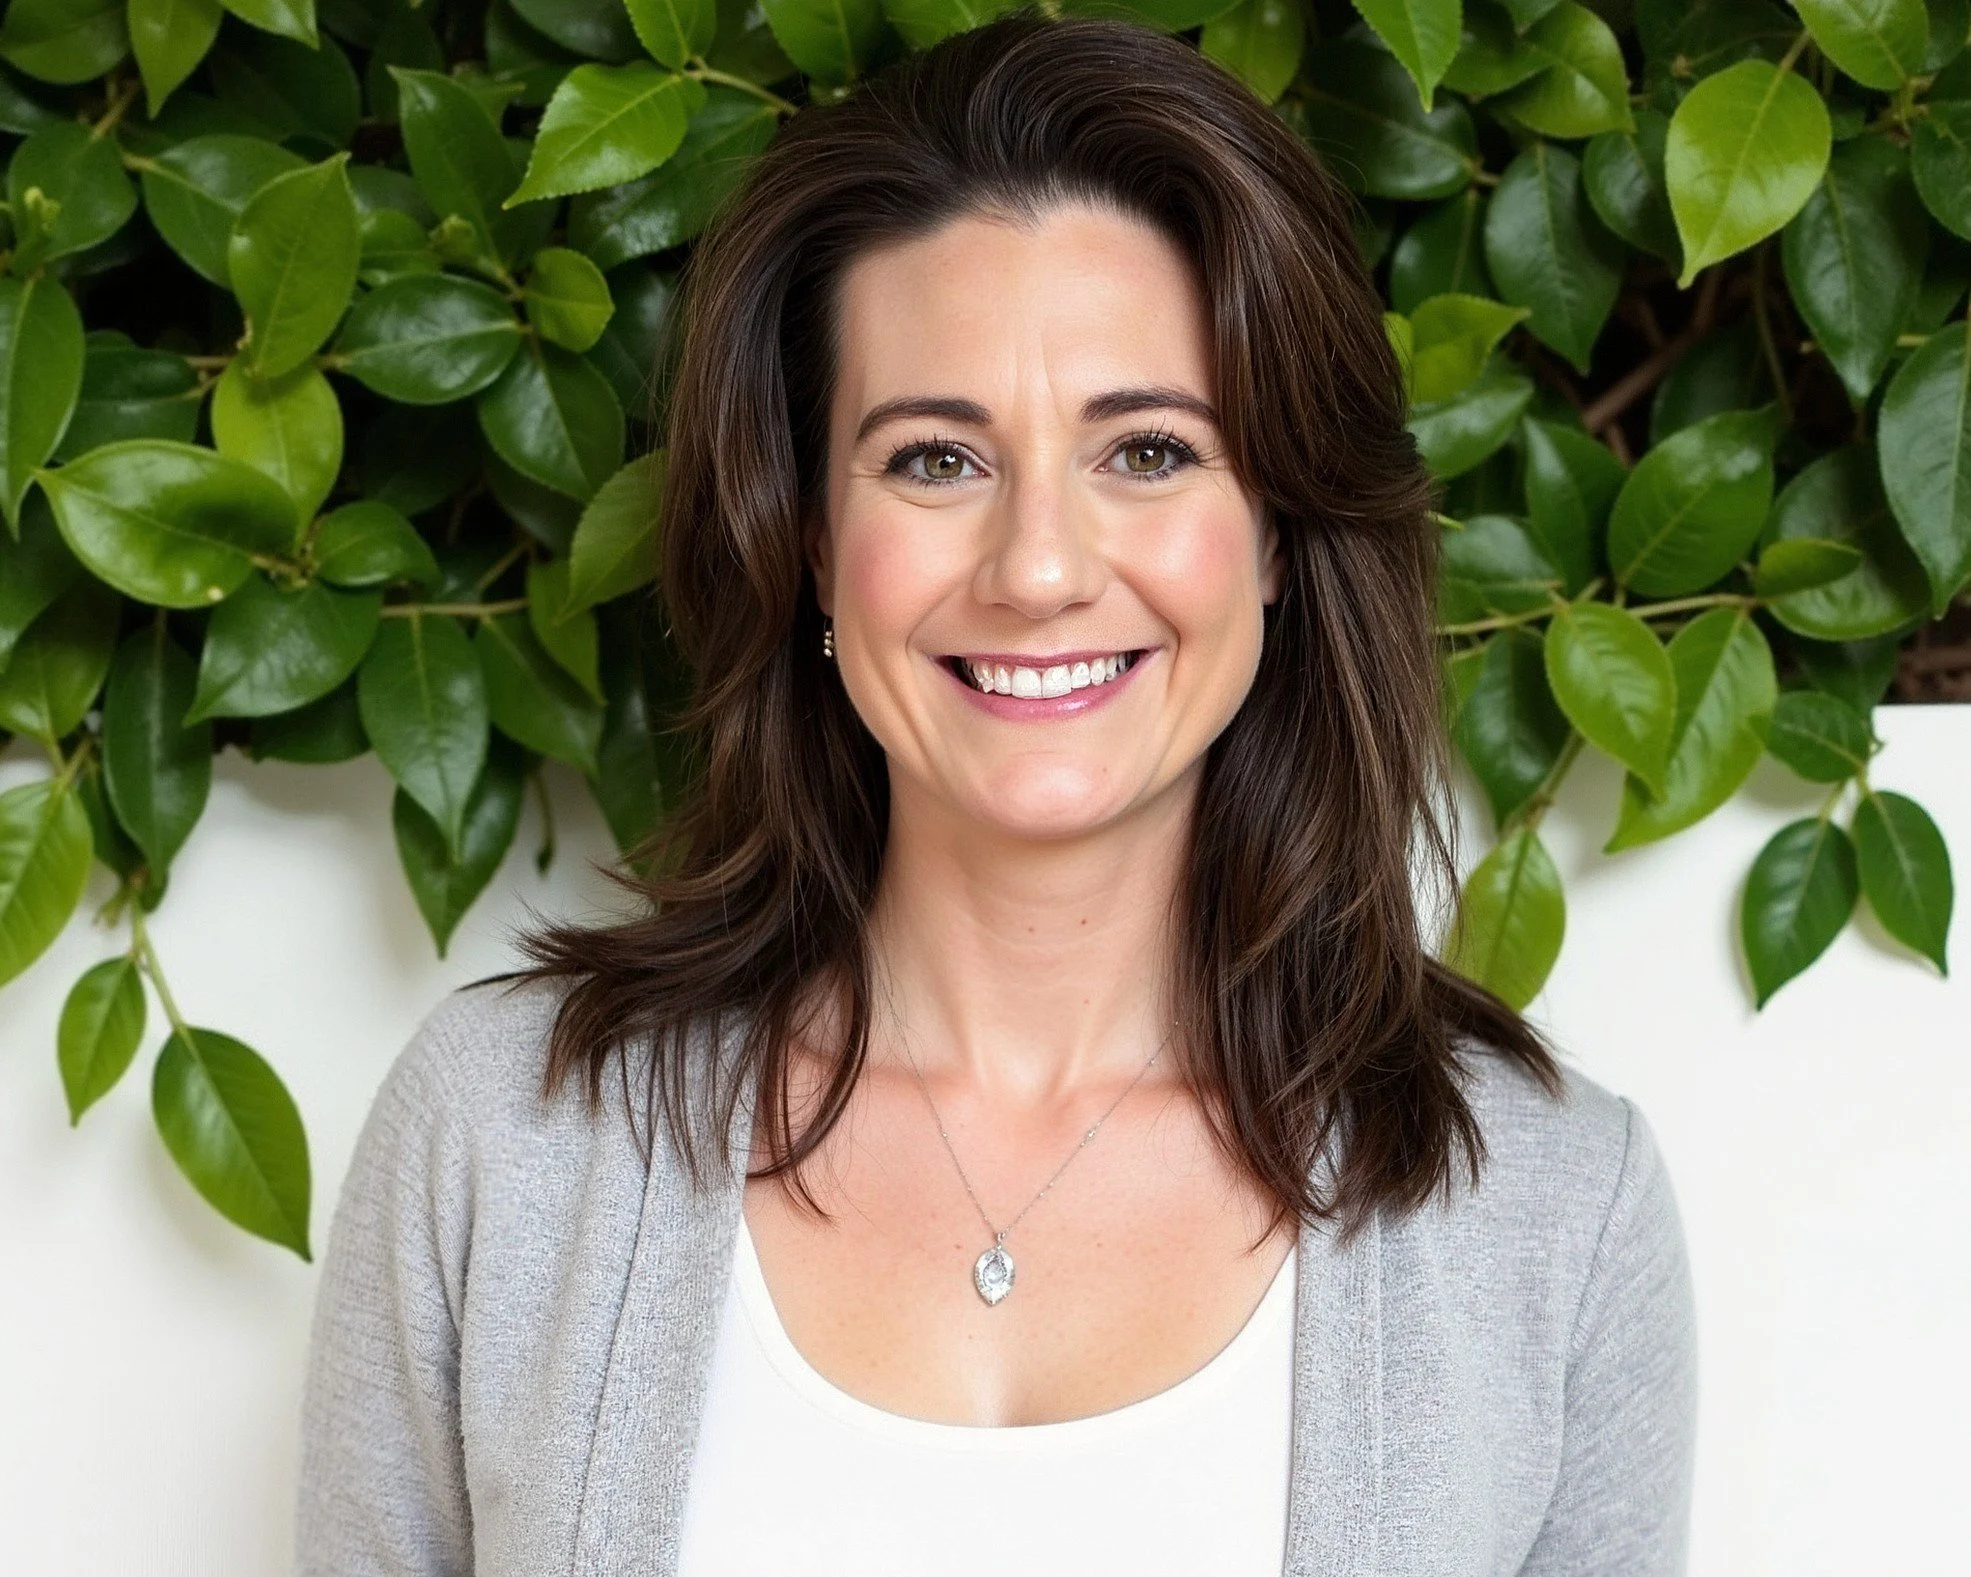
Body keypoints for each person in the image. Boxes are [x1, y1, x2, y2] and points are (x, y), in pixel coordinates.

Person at [296, 14, 1697, 1575]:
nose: (1037, 569)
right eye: (933, 463)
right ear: (812, 542)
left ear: (1283, 534)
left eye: (1149, 452)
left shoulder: (1551, 1212)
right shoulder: (504, 1133)